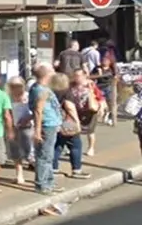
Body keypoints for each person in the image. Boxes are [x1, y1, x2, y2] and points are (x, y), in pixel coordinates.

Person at [29, 63, 63, 195]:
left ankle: (49, 182)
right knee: (44, 156)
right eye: (52, 71)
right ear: (46, 74)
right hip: (46, 125)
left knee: (49, 155)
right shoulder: (40, 90)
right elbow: (38, 111)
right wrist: (37, 131)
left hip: (51, 124)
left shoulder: (41, 88)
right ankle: (42, 185)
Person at [50, 72, 91, 180]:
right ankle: (76, 169)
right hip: (67, 121)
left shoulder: (50, 92)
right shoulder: (66, 92)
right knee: (75, 145)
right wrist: (77, 121)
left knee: (58, 144)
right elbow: (70, 107)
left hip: (55, 120)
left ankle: (53, 168)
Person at [7, 77, 34, 186]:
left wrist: (28, 119)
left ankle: (41, 175)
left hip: (28, 127)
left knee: (30, 153)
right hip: (13, 128)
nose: (15, 88)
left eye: (18, 86)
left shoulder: (28, 96)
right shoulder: (8, 98)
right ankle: (19, 176)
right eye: (13, 86)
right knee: (16, 153)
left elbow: (37, 111)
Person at [92, 52, 118, 125]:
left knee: (111, 103)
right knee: (101, 103)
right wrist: (98, 74)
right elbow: (91, 76)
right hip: (99, 87)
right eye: (103, 60)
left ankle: (111, 117)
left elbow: (114, 76)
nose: (104, 61)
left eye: (106, 60)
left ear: (109, 62)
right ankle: (103, 114)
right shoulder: (97, 68)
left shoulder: (112, 69)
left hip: (109, 87)